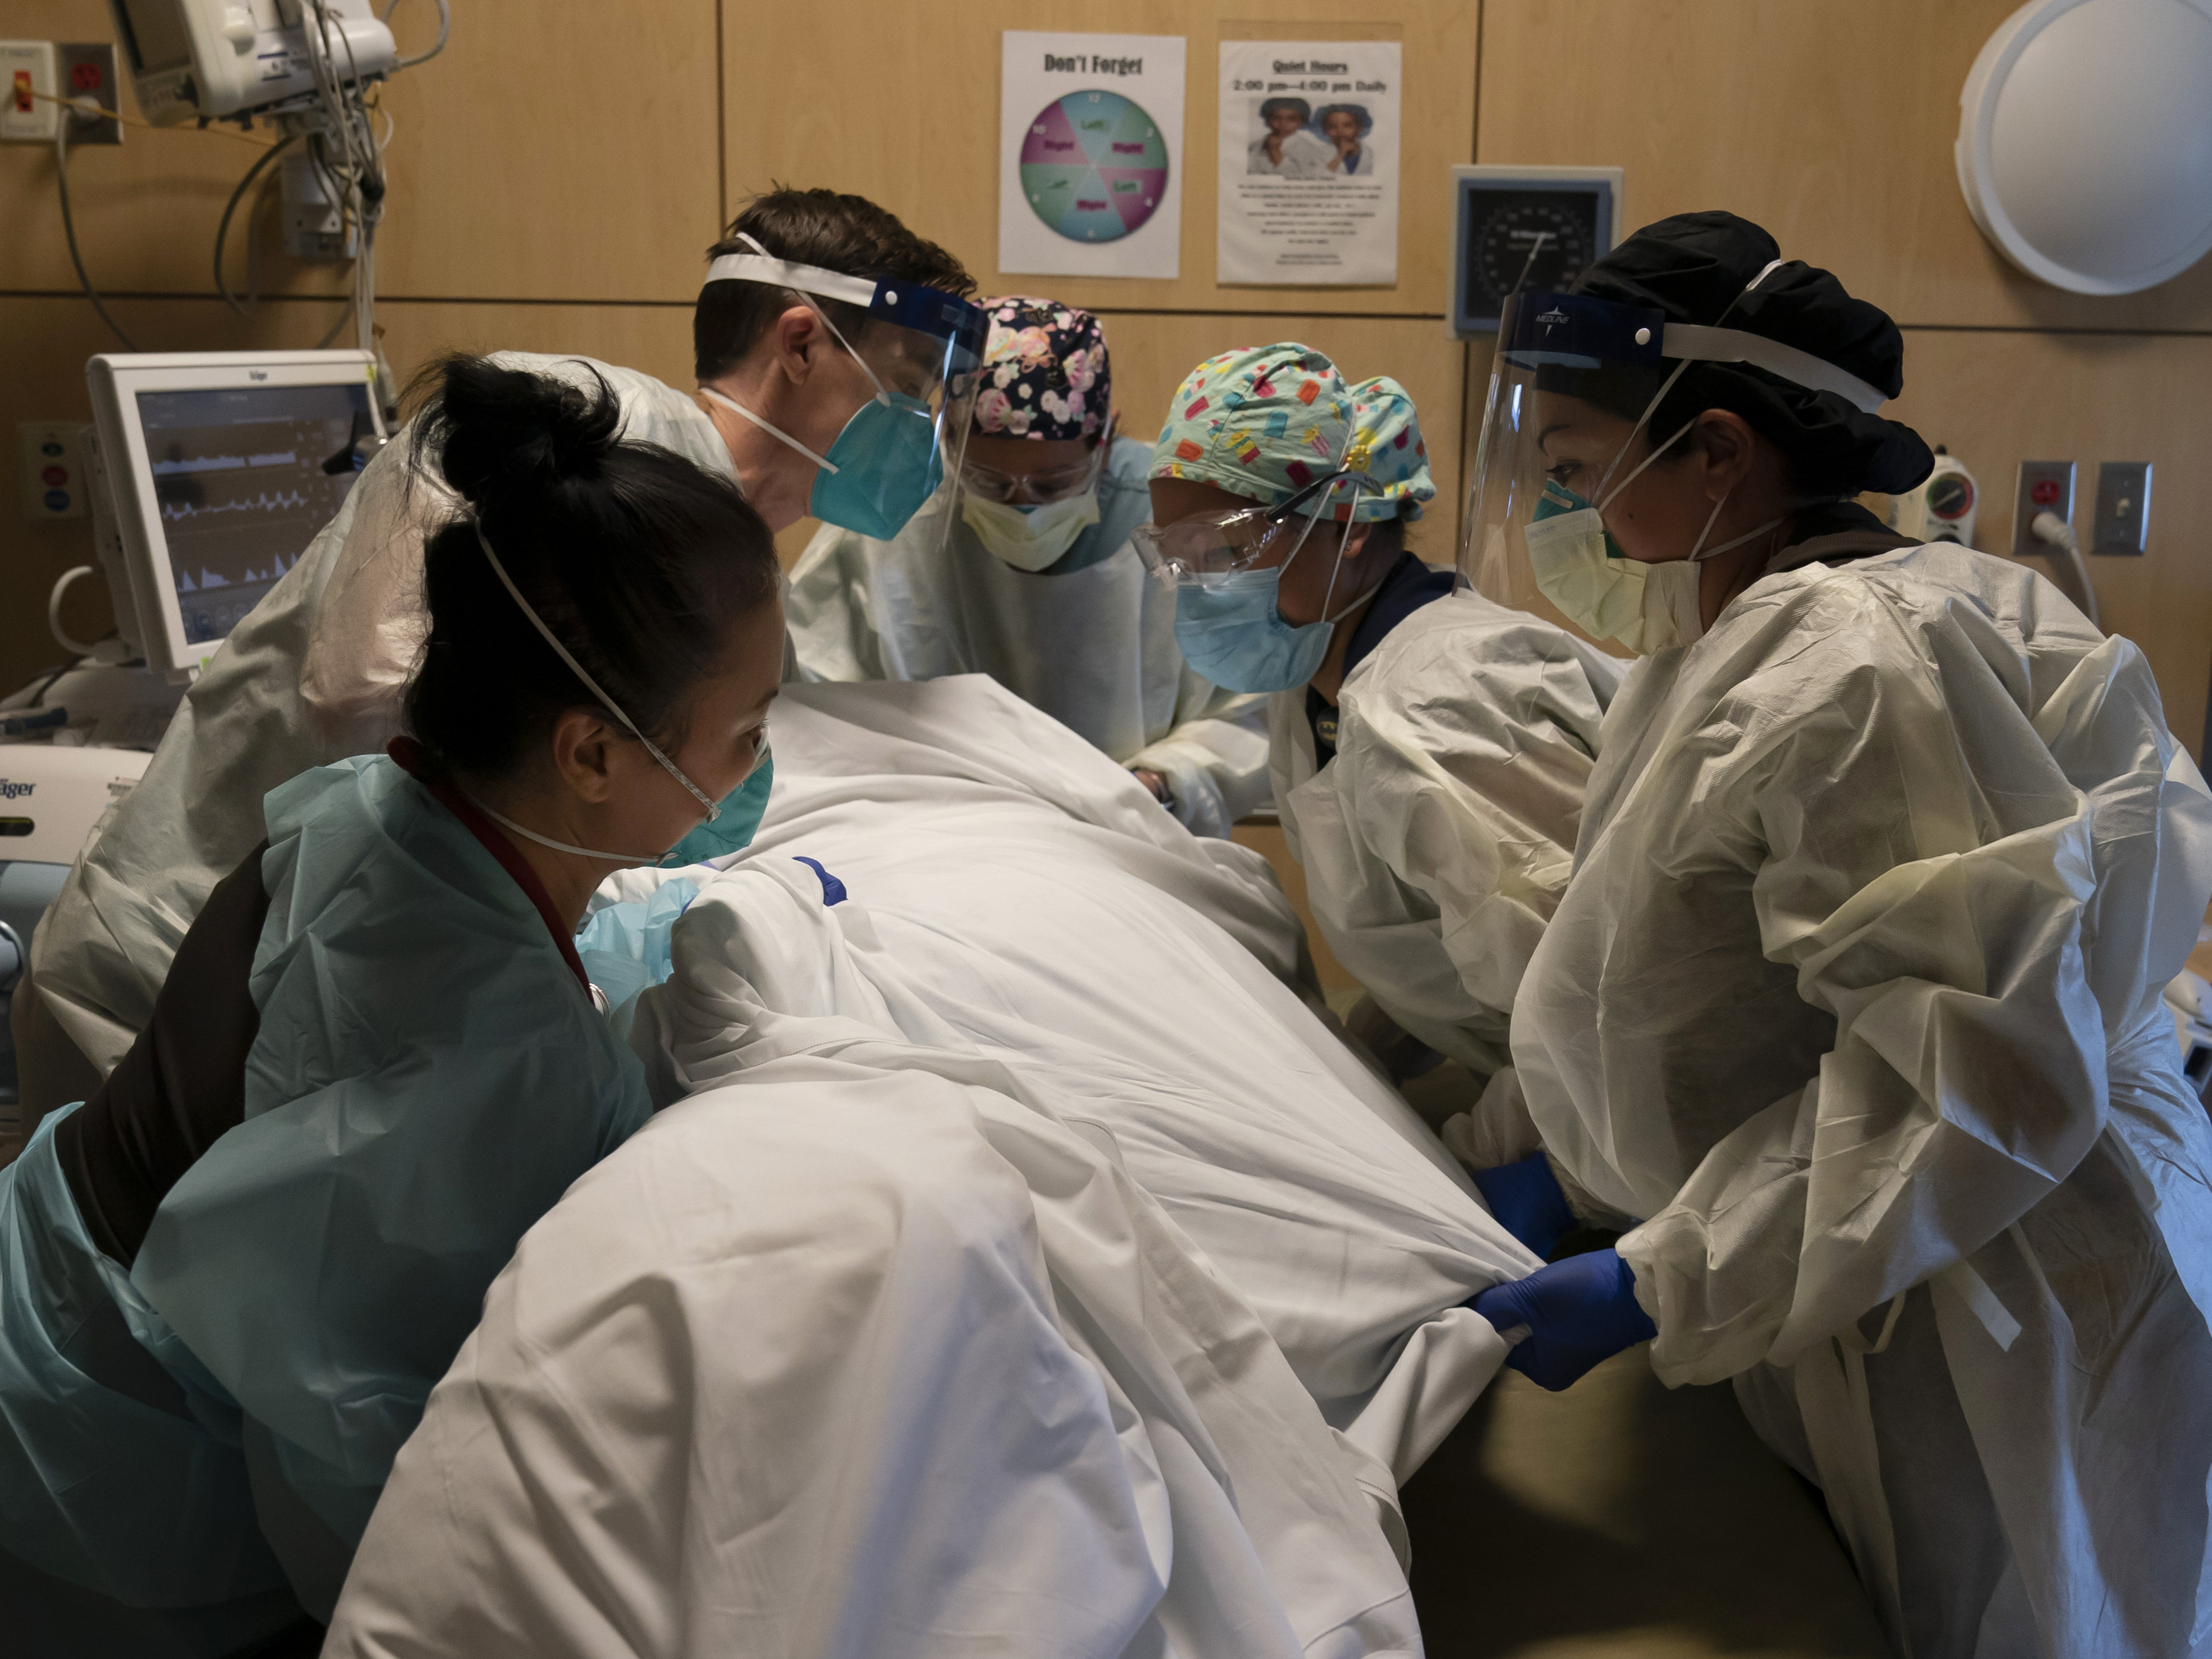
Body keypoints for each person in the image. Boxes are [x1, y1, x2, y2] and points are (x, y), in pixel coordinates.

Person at [1463, 211, 2212, 1657]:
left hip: (1994, 1272)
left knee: (2044, 1610)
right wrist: (1576, 1163)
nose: (1572, 520)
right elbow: (1717, 984)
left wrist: (1661, 1275)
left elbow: (1969, 1068)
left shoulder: (1855, 659)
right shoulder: (1813, 629)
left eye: (1575, 473)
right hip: (1900, 1240)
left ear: (1717, 451)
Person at [0, 354, 785, 1652]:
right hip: (92, 1479)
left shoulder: (388, 805)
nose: (759, 767)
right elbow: (360, 1470)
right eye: (746, 733)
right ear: (591, 751)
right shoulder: (478, 1037)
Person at [18, 187, 983, 1128]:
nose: (920, 429)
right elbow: (360, 691)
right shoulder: (566, 429)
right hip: (172, 987)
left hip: (336, 1019)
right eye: (904, 387)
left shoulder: (731, 576)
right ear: (803, 343)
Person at [1138, 345, 1623, 1157]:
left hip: (1624, 1124)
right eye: (1177, 557)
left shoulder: (1441, 707)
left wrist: (1485, 1168)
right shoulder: (1318, 684)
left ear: (1348, 525)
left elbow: (1597, 1006)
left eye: (1221, 550)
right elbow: (1436, 952)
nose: (1198, 586)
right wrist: (1353, 1065)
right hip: (1560, 1096)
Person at [787, 297, 1269, 836]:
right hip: (936, 836)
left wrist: (1155, 783)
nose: (1024, 508)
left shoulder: (1177, 522)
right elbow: (814, 694)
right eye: (989, 482)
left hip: (1133, 837)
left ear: (1104, 446)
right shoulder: (893, 519)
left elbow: (1249, 711)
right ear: (948, 443)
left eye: (1054, 484)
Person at [1247, 97, 1332, 177]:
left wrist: (1276, 155)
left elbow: (1305, 178)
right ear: (1267, 120)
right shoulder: (1254, 146)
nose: (1283, 124)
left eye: (1291, 119)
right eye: (1276, 118)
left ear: (1302, 122)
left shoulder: (1310, 150)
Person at [1316, 104, 1371, 177]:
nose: (1340, 131)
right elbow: (1318, 178)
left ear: (1359, 128)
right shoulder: (1318, 154)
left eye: (1347, 126)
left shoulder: (1371, 154)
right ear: (1325, 131)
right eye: (1333, 127)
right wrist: (1340, 156)